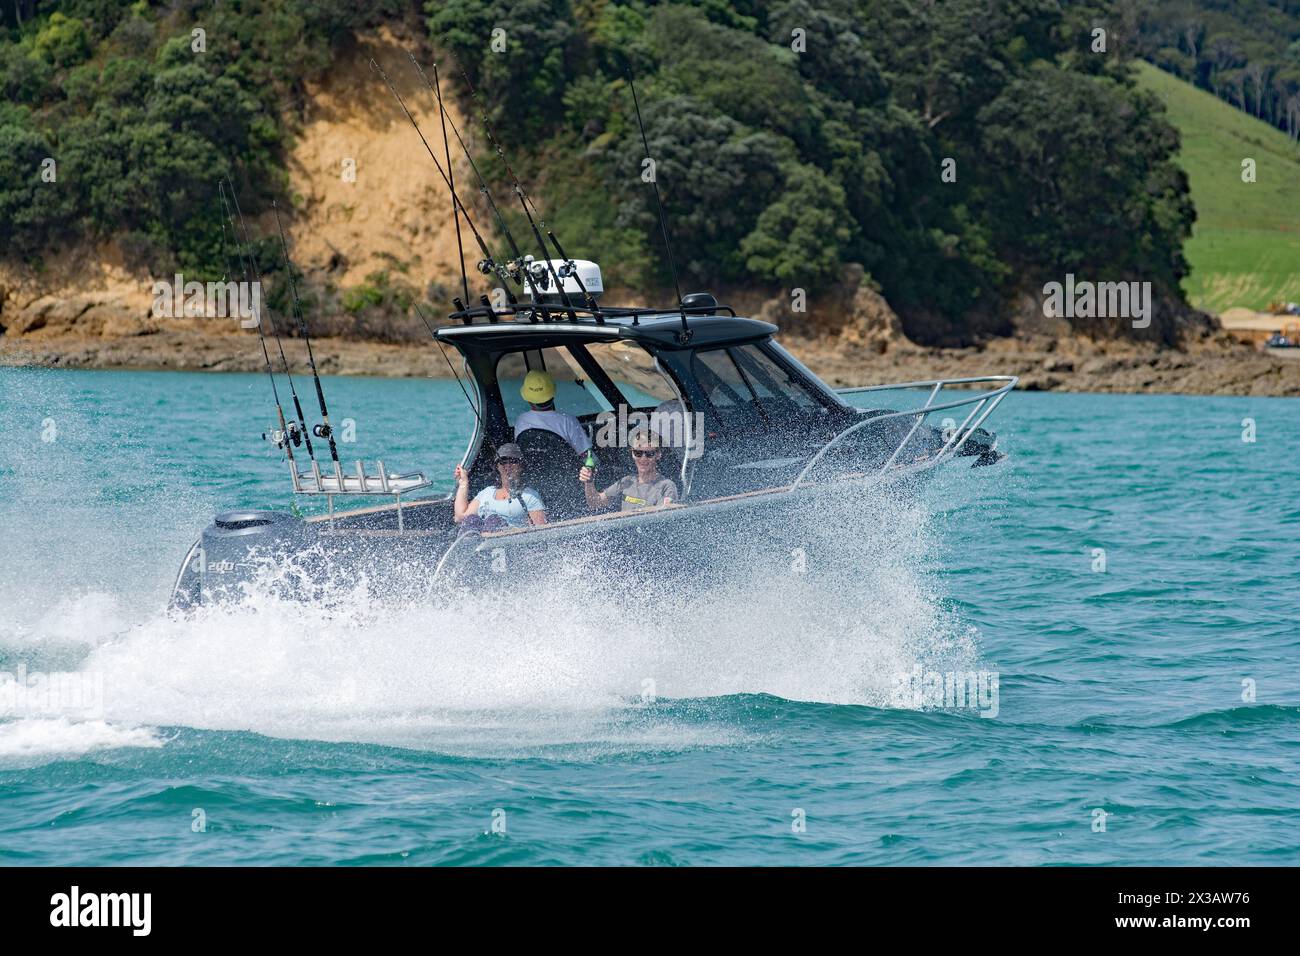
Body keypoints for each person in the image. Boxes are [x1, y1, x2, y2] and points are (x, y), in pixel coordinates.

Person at [579, 429, 678, 512]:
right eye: (638, 453)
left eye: (649, 453)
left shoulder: (667, 486)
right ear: (632, 454)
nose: (643, 458)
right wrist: (589, 482)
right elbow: (595, 503)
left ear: (658, 454)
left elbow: (664, 520)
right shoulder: (626, 482)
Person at [454, 443, 547, 528]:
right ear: (497, 466)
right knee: (471, 520)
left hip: (509, 542)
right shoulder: (487, 492)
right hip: (479, 544)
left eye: (513, 461)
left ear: (521, 466)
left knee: (493, 520)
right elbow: (460, 517)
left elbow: (540, 532)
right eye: (503, 461)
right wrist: (463, 483)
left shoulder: (530, 496)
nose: (508, 465)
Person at [514, 370, 591, 454]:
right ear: (553, 394)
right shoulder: (567, 421)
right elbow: (586, 455)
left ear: (527, 398)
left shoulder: (521, 421)